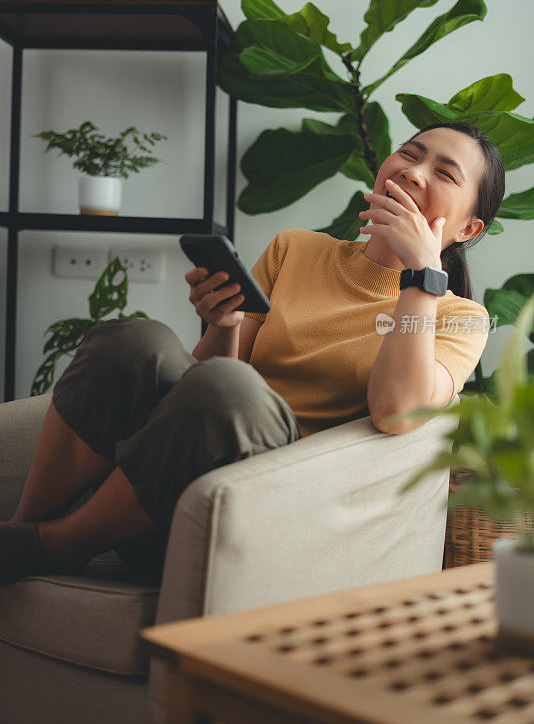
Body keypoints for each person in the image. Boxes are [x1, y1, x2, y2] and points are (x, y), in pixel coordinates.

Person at [0, 121, 505, 585]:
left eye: (443, 173)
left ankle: (61, 543)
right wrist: (224, 325)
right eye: (409, 154)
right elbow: (201, 386)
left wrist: (421, 276)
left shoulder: (459, 318)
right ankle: (22, 532)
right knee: (136, 341)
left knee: (232, 389)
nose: (414, 173)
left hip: (266, 520)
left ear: (467, 229)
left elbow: (397, 410)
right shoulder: (296, 250)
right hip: (168, 484)